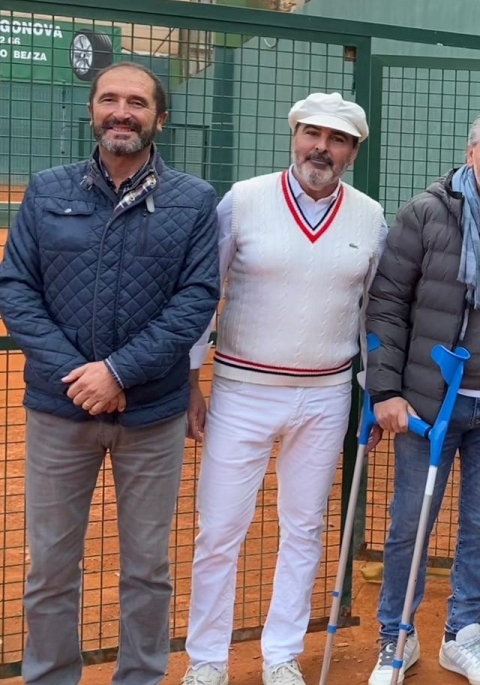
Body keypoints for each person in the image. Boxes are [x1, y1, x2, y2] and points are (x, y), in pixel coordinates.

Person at [0, 62, 219, 685]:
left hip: (152, 416)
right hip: (57, 412)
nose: (122, 112)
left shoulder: (194, 201)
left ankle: (140, 678)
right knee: (50, 567)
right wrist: (80, 375)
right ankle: (49, 677)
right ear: (93, 111)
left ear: (160, 119)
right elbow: (16, 290)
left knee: (148, 568)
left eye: (137, 102)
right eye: (110, 100)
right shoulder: (47, 191)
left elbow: (195, 300)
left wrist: (119, 372)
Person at [180, 94, 386, 685]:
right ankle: (208, 660)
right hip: (241, 390)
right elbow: (203, 293)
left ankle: (281, 654)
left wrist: (374, 392)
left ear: (352, 150)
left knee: (304, 527)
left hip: (326, 396)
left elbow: (375, 311)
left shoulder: (370, 215)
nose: (322, 147)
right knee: (219, 529)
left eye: (338, 139)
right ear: (295, 135)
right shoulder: (243, 200)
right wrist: (194, 380)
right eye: (312, 134)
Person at [366, 109, 480, 685]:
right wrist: (386, 390)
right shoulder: (425, 214)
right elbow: (387, 306)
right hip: (428, 406)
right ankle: (395, 637)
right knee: (409, 524)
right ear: (470, 153)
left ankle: (461, 635)